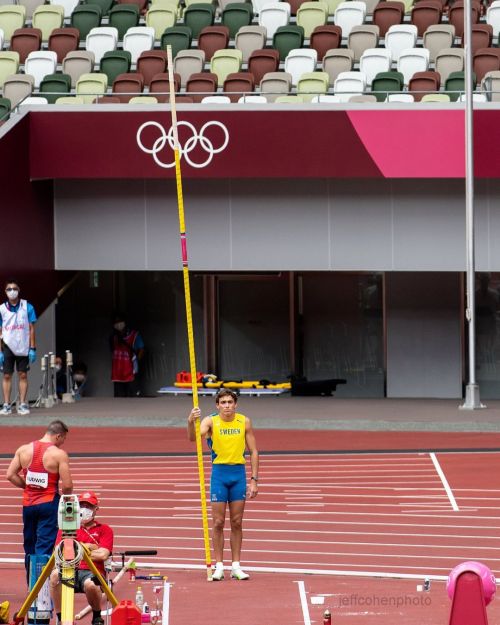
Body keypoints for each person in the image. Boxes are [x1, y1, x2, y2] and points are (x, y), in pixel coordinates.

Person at [187, 389, 259, 581]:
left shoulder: (244, 421)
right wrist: (190, 421)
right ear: (217, 405)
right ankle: (219, 565)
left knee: (237, 522)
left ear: (235, 404)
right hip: (219, 474)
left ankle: (236, 565)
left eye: (230, 402)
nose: (227, 406)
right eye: (223, 402)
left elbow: (253, 451)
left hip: (238, 474)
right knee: (218, 522)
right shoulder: (210, 421)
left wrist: (254, 479)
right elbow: (194, 439)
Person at [5, 420, 73, 578]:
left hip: (28, 504)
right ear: (58, 436)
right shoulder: (58, 454)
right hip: (49, 503)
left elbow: (10, 475)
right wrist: (65, 499)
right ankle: (41, 590)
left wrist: (27, 487)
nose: (63, 443)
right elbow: (68, 485)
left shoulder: (24, 450)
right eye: (63, 439)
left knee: (30, 544)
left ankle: (31, 586)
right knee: (44, 544)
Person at [50, 491, 113, 625]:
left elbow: (103, 554)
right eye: (82, 505)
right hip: (68, 569)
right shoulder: (66, 528)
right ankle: (62, 619)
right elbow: (58, 552)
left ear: (96, 509)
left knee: (91, 585)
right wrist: (89, 548)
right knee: (54, 576)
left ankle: (96, 616)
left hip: (92, 571)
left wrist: (76, 549)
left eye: (89, 506)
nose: (85, 509)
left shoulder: (105, 530)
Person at [0, 279, 37, 415]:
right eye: (9, 289)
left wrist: (32, 348)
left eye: (14, 288)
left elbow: (32, 328)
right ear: (5, 292)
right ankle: (6, 405)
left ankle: (22, 404)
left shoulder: (28, 307)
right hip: (7, 345)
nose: (12, 291)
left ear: (19, 290)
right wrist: (0, 351)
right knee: (7, 375)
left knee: (22, 374)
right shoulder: (2, 309)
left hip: (23, 345)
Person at [110, 314, 144, 397]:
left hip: (130, 372)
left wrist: (136, 362)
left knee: (132, 397)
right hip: (117, 374)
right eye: (116, 322)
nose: (118, 324)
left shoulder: (134, 335)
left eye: (120, 321)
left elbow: (142, 349)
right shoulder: (113, 337)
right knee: (119, 399)